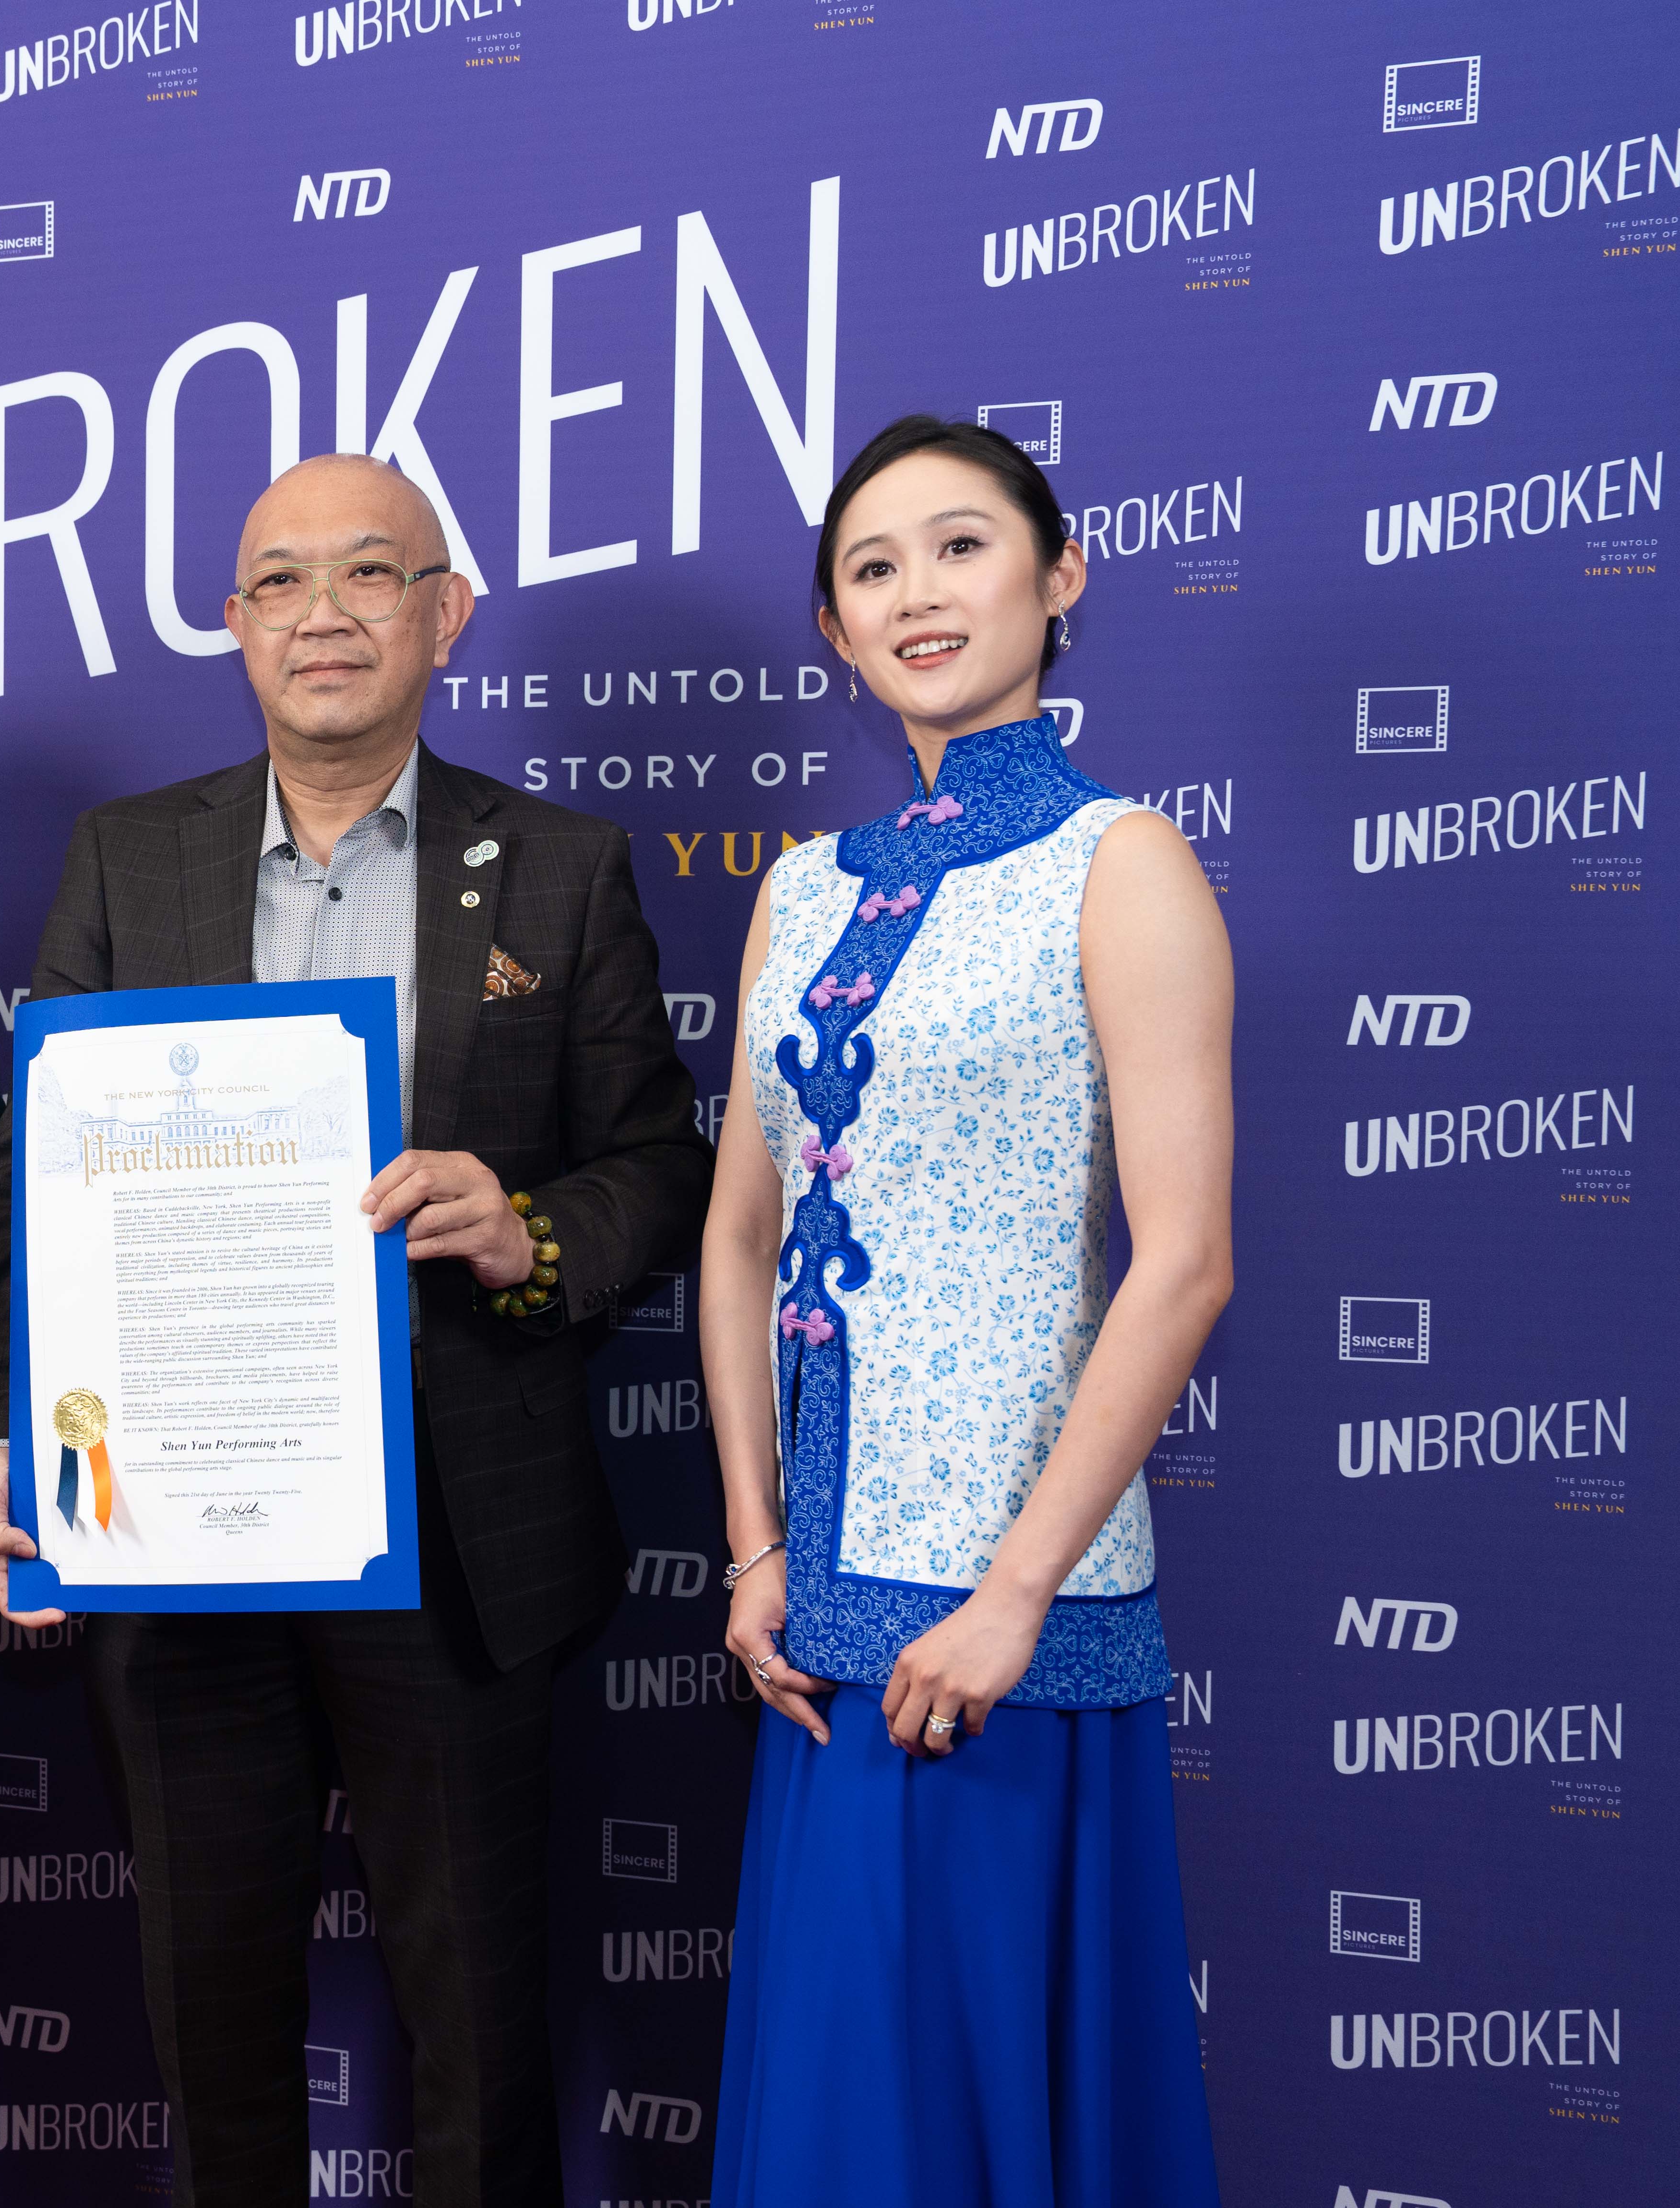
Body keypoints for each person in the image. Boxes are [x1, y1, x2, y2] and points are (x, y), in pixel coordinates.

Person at [0, 454, 714, 2208]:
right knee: (211, 2024)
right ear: (235, 625)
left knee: (480, 2034)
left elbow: (661, 1164)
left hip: (456, 1534)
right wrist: (8, 1442)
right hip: (171, 1528)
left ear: (446, 615)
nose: (323, 613)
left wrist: (525, 1230)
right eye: (280, 581)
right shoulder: (128, 856)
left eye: (370, 573)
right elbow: (27, 1184)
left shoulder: (564, 866)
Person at [701, 415, 1230, 2207]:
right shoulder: (801, 887)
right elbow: (736, 1239)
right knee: (851, 2120)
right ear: (836, 629)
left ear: (1059, 575)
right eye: (873, 568)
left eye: (961, 546)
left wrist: (1012, 1597)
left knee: (990, 2106)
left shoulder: (1122, 859)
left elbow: (1185, 1260)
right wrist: (755, 1547)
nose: (917, 592)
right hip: (823, 1624)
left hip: (1011, 1618)